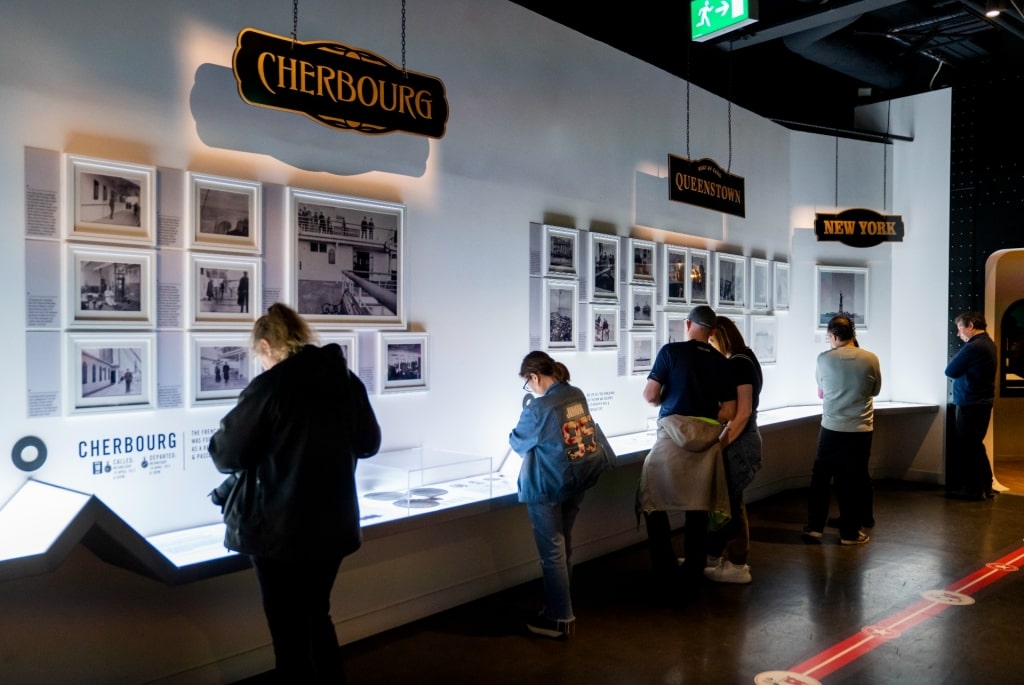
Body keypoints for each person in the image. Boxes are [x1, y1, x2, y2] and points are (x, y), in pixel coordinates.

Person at [208, 303, 381, 683]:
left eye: (260, 356)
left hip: (277, 530)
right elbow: (369, 443)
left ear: (267, 346)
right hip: (334, 523)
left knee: (287, 631)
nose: (262, 363)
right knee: (317, 614)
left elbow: (225, 454)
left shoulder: (270, 387)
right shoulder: (345, 380)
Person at [509, 351, 614, 640]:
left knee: (552, 552)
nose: (529, 389)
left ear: (535, 377)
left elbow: (517, 441)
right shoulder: (576, 394)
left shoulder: (539, 409)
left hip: (547, 487)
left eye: (528, 383)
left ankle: (560, 619)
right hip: (576, 482)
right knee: (563, 546)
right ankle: (558, 607)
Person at [639, 304, 737, 587]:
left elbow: (649, 396)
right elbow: (729, 411)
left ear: (687, 325)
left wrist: (668, 400)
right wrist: (705, 419)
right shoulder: (723, 362)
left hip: (671, 436)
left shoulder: (671, 352)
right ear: (714, 332)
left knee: (651, 500)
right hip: (707, 442)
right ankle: (694, 567)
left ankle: (665, 565)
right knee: (699, 505)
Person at [804, 315, 881, 545]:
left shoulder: (823, 359)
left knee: (821, 477)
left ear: (834, 336)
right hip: (860, 428)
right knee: (853, 481)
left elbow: (821, 389)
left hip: (831, 427)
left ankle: (814, 528)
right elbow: (875, 390)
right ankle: (849, 533)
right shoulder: (871, 358)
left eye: (829, 337)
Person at [705, 315, 763, 584]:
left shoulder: (738, 364)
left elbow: (742, 413)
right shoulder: (746, 358)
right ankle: (714, 556)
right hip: (743, 440)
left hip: (740, 444)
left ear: (719, 336)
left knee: (733, 505)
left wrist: (721, 443)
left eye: (711, 340)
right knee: (728, 502)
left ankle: (738, 564)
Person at [944, 311, 998, 500]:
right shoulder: (988, 344)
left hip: (970, 402)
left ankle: (974, 490)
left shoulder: (974, 346)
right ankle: (986, 486)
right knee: (975, 444)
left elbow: (950, 370)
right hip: (981, 402)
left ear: (971, 326)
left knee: (969, 446)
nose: (959, 334)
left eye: (960, 329)